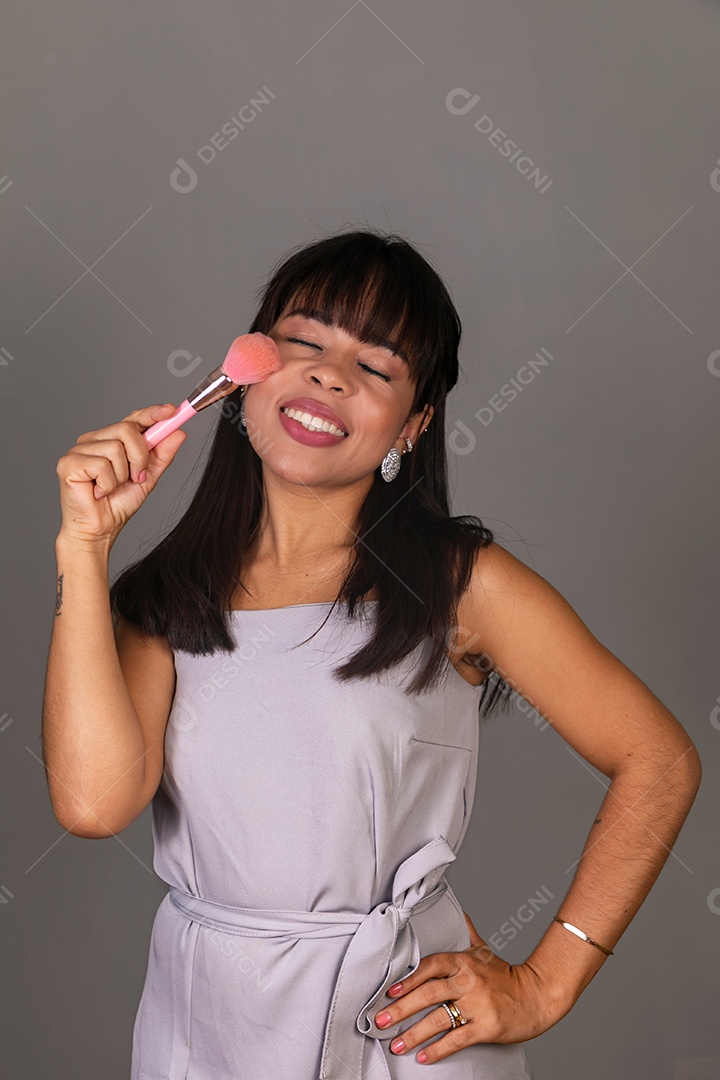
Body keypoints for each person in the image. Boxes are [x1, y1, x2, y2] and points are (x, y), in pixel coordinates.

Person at [42, 227, 702, 1079]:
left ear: (412, 425)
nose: (329, 374)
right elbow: (92, 805)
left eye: (377, 368)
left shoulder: (465, 585)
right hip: (203, 1029)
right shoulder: (160, 600)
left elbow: (658, 758)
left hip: (397, 1035)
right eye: (304, 342)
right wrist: (81, 549)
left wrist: (545, 983)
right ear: (245, 375)